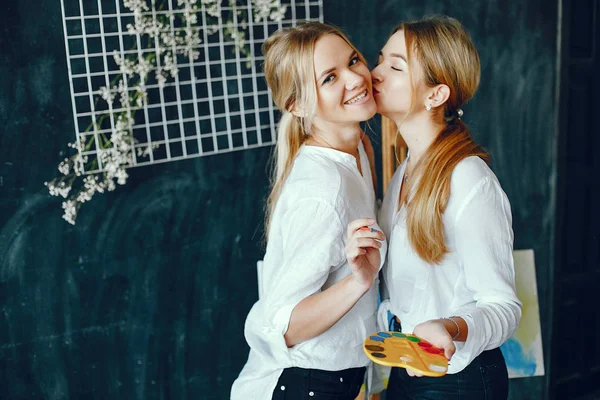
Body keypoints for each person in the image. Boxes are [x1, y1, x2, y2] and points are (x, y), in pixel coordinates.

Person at [231, 22, 387, 400]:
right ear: (298, 104)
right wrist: (358, 282)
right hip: (304, 384)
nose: (355, 78)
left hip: (344, 378)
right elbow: (283, 325)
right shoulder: (322, 190)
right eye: (330, 77)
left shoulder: (360, 148)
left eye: (353, 60)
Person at [372, 15, 522, 399]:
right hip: (408, 369)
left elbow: (504, 307)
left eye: (395, 66)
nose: (375, 73)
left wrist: (450, 326)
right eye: (380, 60)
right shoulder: (405, 171)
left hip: (459, 381)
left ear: (435, 95)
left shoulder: (469, 179)